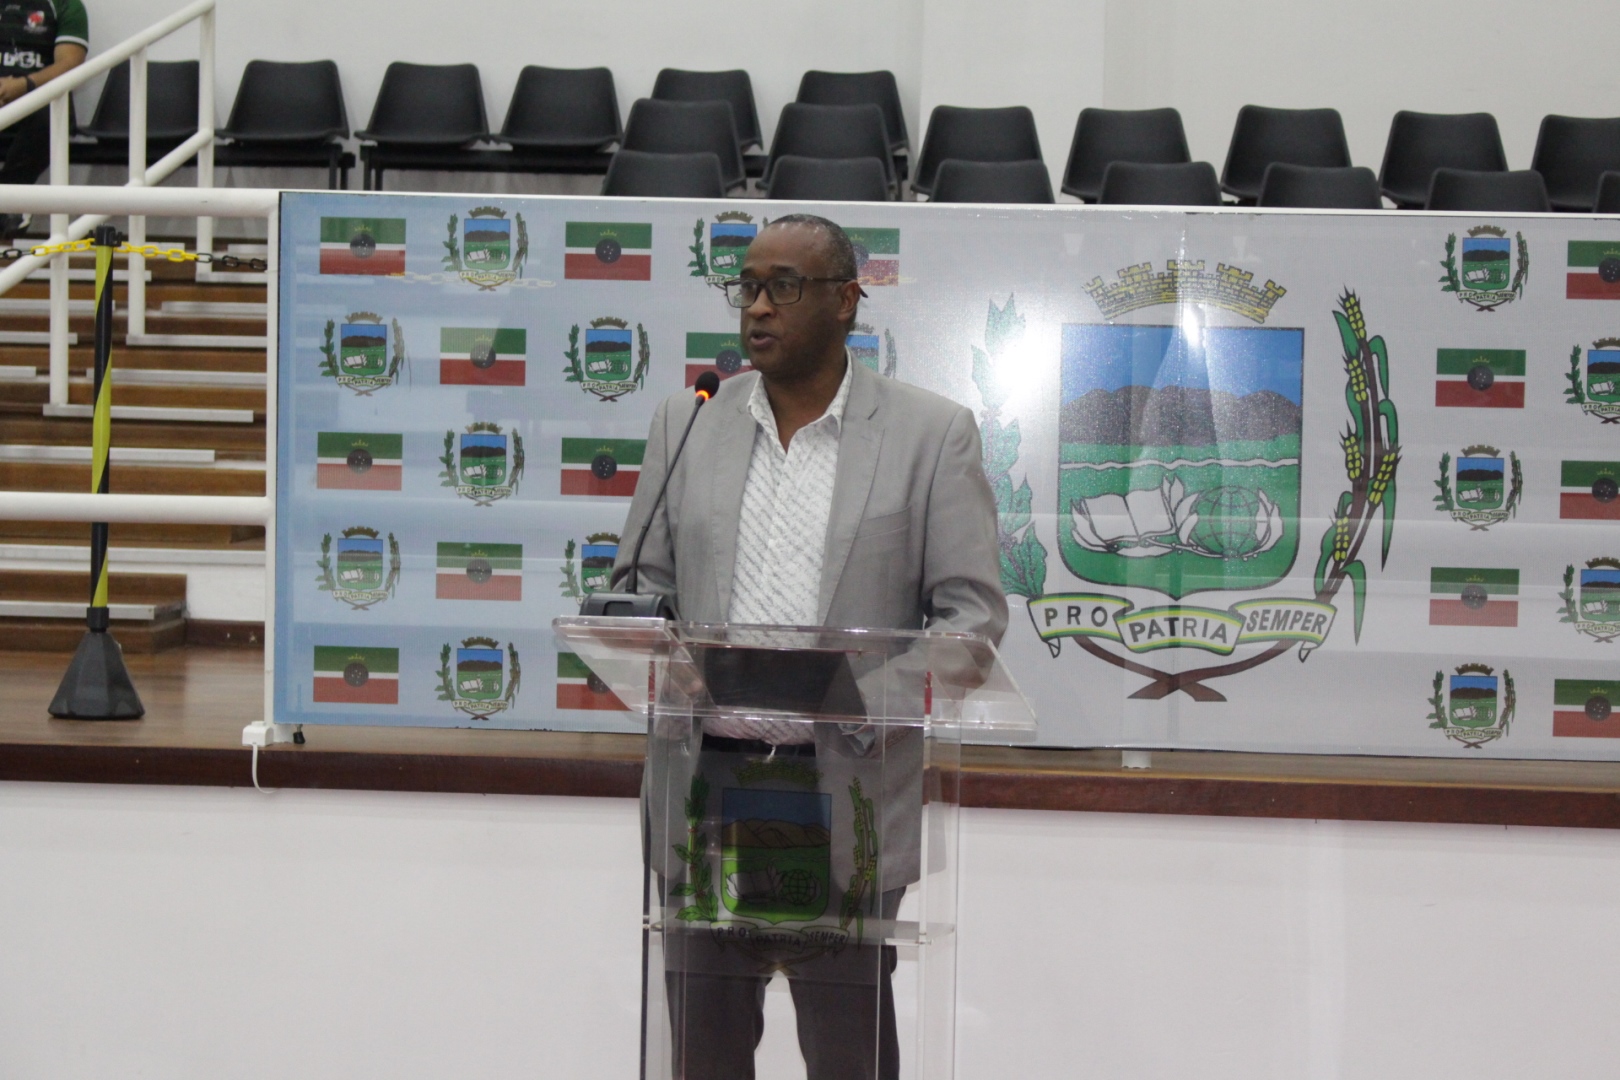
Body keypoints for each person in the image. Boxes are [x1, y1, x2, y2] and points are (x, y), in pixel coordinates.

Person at [611, 214, 1007, 1079]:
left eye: (784, 287)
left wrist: (854, 703)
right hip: (706, 786)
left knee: (847, 1059)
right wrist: (650, 645)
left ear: (845, 301)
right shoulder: (688, 420)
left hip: (843, 785)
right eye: (748, 286)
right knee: (704, 1058)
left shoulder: (929, 433)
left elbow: (972, 621)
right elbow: (640, 592)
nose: (758, 307)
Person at [0, 0, 89, 238]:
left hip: (39, 99)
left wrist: (25, 85)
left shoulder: (66, 5)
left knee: (53, 115)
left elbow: (70, 63)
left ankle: (10, 199)